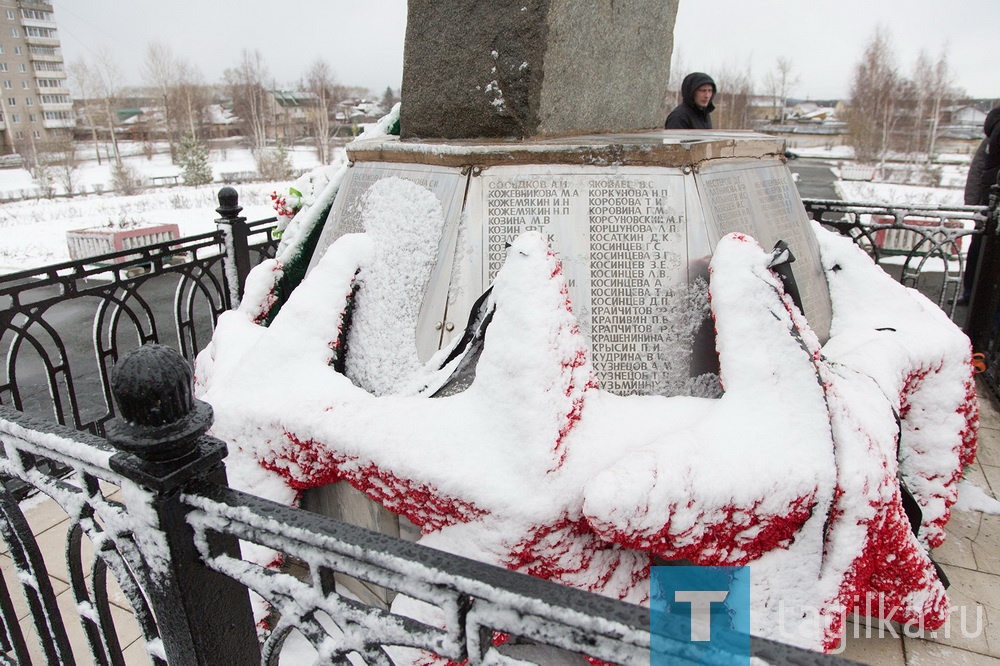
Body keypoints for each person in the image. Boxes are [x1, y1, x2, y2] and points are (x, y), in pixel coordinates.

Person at [961, 106, 1000, 304]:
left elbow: (977, 171)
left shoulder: (992, 132)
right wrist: (972, 205)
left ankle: (974, 295)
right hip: (989, 203)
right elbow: (977, 170)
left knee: (980, 249)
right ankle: (973, 294)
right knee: (979, 249)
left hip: (987, 203)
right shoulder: (993, 136)